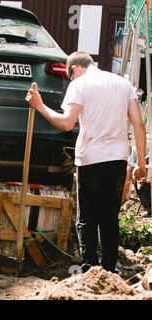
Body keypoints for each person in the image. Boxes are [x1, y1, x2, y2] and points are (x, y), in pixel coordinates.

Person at [26, 51, 147, 273]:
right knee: (110, 217)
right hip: (118, 158)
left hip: (91, 157)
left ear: (75, 69)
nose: (71, 80)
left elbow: (66, 122)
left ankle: (90, 267)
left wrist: (40, 106)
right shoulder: (123, 84)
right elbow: (139, 125)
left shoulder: (79, 84)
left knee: (87, 218)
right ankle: (110, 270)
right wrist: (140, 163)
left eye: (69, 75)